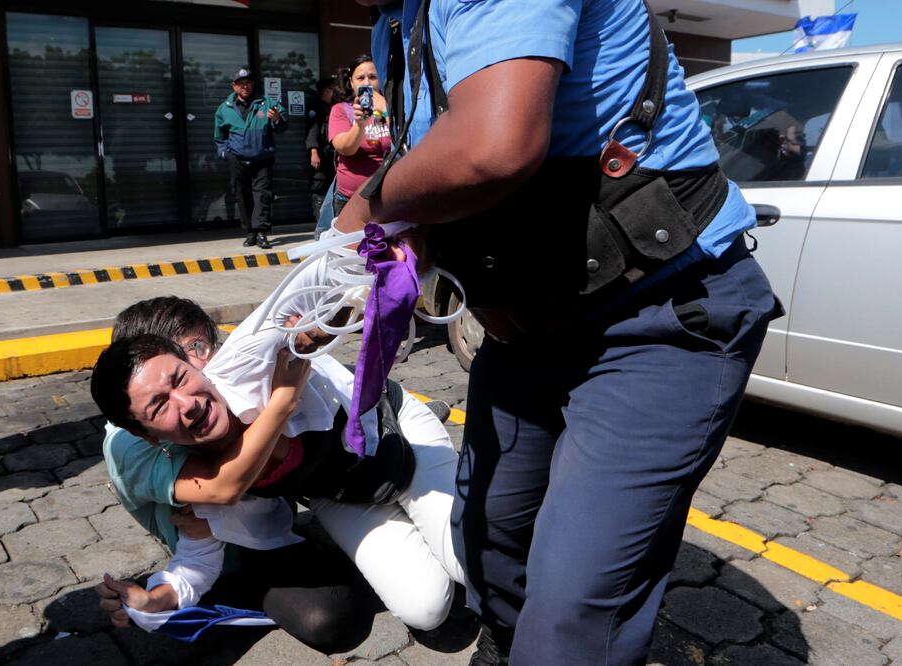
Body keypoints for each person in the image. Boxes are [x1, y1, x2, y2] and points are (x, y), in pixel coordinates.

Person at [333, 1, 784, 663]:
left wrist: (357, 217)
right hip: (526, 332)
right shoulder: (394, 20)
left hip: (657, 316)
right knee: (488, 543)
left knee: (573, 613)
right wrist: (361, 278)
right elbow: (434, 187)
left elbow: (491, 147)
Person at [92, 277, 464, 631]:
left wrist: (314, 329)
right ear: (150, 433)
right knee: (426, 609)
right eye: (158, 403)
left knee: (467, 562)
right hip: (341, 494)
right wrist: (154, 599)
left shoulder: (264, 363)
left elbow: (327, 287)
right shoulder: (202, 467)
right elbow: (199, 550)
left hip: (393, 432)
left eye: (198, 350)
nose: (191, 394)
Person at [95, 297, 373, 652]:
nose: (207, 363)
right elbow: (224, 490)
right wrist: (284, 398)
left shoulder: (212, 391)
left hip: (279, 512)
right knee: (331, 620)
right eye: (189, 352)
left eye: (204, 346)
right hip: (232, 557)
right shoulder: (130, 447)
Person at [214, 68, 287, 250]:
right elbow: (219, 135)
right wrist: (224, 152)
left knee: (262, 195)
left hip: (262, 158)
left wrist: (277, 119)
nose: (245, 86)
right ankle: (250, 232)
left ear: (253, 85)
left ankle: (262, 232)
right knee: (242, 195)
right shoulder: (225, 108)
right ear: (234, 86)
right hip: (237, 159)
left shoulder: (267, 103)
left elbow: (282, 127)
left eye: (248, 82)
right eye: (241, 83)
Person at [328, 55, 391, 217]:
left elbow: (407, 140)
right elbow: (345, 149)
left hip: (388, 197)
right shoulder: (341, 110)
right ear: (351, 82)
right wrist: (359, 124)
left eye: (372, 77)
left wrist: (385, 109)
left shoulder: (391, 108)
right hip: (349, 199)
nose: (367, 83)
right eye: (360, 78)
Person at [306, 75, 337, 222]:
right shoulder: (315, 107)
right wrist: (314, 151)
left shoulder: (334, 107)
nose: (332, 92)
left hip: (333, 154)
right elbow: (312, 131)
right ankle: (320, 221)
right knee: (319, 185)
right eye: (329, 89)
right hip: (320, 153)